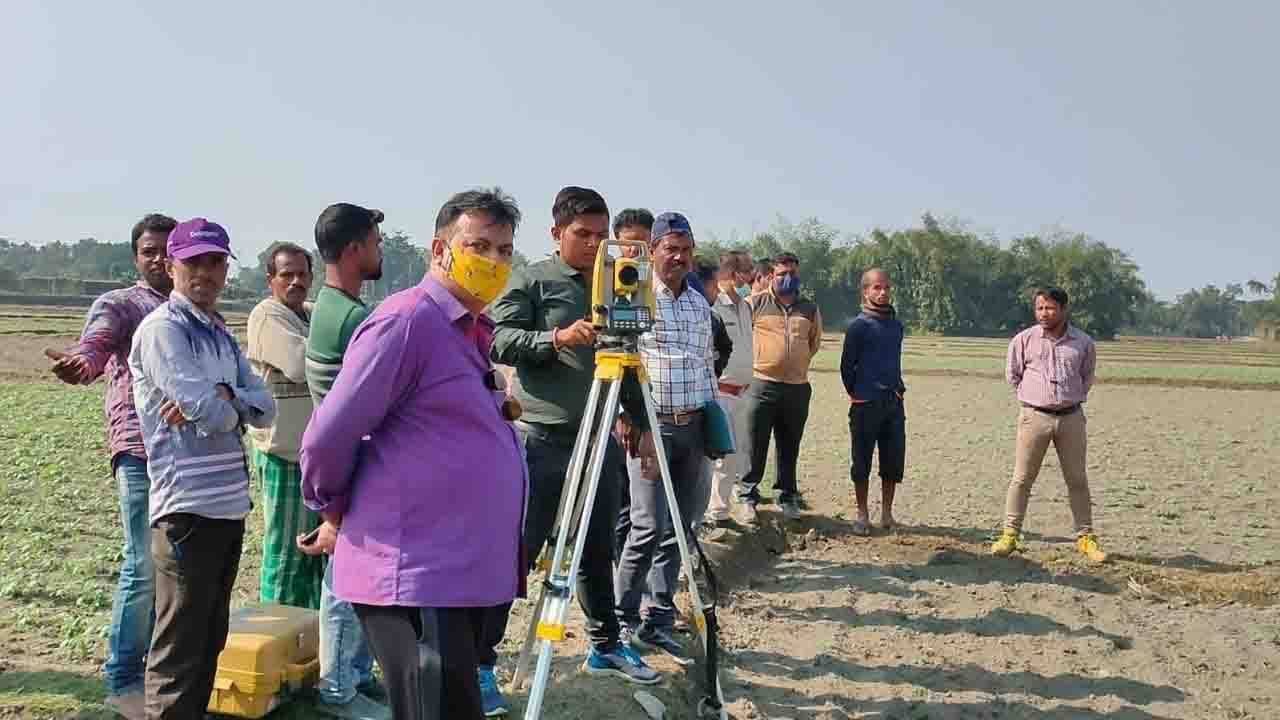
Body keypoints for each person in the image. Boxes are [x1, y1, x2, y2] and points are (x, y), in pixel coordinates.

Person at [302, 188, 527, 720]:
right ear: (440, 250)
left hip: (459, 571)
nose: (493, 261)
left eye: (504, 251)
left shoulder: (470, 330)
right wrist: (331, 507)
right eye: (479, 246)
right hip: (419, 574)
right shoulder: (406, 323)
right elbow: (329, 434)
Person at [486, 189, 660, 716]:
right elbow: (499, 339)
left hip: (599, 432)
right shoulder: (532, 279)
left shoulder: (615, 280)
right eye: (581, 233)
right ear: (557, 233)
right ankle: (480, 661)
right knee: (518, 549)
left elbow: (622, 352)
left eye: (598, 234)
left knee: (597, 545)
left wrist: (637, 416)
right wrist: (557, 337)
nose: (591, 243)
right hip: (544, 438)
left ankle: (605, 644)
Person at [129, 218, 277, 719]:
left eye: (215, 262)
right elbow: (207, 411)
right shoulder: (163, 331)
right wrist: (226, 403)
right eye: (194, 262)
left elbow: (266, 405)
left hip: (226, 508)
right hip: (186, 511)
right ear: (171, 266)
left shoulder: (217, 331)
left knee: (209, 636)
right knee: (179, 646)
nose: (206, 273)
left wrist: (227, 397)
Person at [44, 213, 175, 720]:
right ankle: (123, 677)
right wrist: (82, 361)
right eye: (149, 250)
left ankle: (158, 670)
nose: (160, 257)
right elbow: (96, 342)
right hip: (139, 448)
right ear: (136, 257)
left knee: (172, 569)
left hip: (184, 455)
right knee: (142, 565)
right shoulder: (123, 303)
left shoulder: (191, 306)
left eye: (168, 248)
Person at [300, 203, 390, 720]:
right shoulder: (355, 319)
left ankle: (354, 675)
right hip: (353, 468)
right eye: (375, 241)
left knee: (355, 581)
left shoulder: (330, 307)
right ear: (355, 249)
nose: (380, 249)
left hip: (351, 465)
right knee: (343, 586)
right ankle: (338, 690)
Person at [616, 211, 717, 664]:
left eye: (685, 250)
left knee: (683, 528)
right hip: (651, 427)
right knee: (647, 526)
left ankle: (658, 617)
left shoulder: (699, 303)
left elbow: (704, 364)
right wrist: (627, 418)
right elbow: (619, 359)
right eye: (669, 248)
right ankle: (621, 621)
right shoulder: (635, 296)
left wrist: (715, 422)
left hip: (695, 425)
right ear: (652, 251)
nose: (677, 257)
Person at [992, 288, 1108, 563]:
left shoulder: (1083, 343)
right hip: (1034, 417)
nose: (1044, 313)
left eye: (1050, 308)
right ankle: (1010, 534)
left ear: (1064, 309)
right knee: (1021, 479)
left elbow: (1086, 376)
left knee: (1077, 480)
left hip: (1071, 419)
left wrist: (1067, 398)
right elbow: (1013, 375)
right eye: (1040, 308)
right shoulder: (1024, 340)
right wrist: (1036, 397)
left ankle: (1086, 538)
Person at [247, 242, 321, 609]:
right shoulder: (266, 315)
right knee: (285, 557)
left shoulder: (312, 314)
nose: (295, 282)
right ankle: (275, 634)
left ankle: (307, 646)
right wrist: (331, 352)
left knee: (317, 559)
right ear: (270, 280)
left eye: (302, 274)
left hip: (315, 459)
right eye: (286, 274)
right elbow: (297, 363)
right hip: (284, 456)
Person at [736, 252, 823, 523]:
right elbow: (739, 339)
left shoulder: (809, 308)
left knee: (789, 445)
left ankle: (787, 496)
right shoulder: (753, 303)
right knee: (754, 443)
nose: (788, 278)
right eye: (782, 273)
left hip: (796, 388)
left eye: (793, 273)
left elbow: (814, 342)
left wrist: (794, 364)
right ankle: (748, 497)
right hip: (760, 384)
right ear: (771, 276)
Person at [840, 269, 907, 535]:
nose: (883, 293)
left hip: (893, 401)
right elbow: (847, 367)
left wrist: (896, 391)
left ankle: (887, 514)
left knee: (892, 459)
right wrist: (858, 394)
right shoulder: (859, 326)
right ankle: (862, 513)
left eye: (886, 288)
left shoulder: (896, 325)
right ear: (865, 292)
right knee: (862, 461)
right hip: (865, 403)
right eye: (877, 288)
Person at [703, 250, 755, 530]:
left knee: (737, 454)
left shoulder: (746, 307)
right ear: (734, 275)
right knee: (720, 456)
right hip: (722, 390)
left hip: (743, 390)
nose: (751, 277)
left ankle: (721, 509)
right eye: (747, 272)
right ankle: (714, 513)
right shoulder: (714, 306)